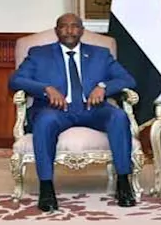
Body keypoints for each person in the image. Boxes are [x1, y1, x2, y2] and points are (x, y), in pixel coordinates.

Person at [9, 13, 137, 212]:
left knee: (118, 117)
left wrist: (103, 87)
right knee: (44, 121)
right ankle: (46, 188)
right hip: (55, 110)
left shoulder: (100, 54)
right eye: (64, 26)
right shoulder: (39, 54)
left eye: (75, 26)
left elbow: (127, 79)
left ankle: (123, 183)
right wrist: (45, 89)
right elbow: (16, 80)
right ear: (56, 31)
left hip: (92, 109)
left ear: (82, 31)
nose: (69, 30)